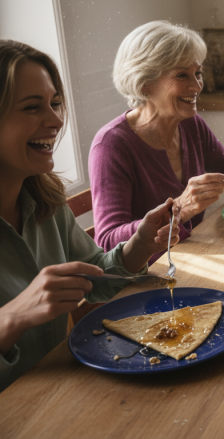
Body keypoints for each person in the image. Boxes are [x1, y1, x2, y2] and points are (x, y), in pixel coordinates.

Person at [0, 40, 180, 391]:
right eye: (32, 107)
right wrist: (12, 317)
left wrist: (137, 247)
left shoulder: (46, 202)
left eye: (54, 104)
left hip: (60, 393)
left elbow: (96, 277)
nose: (55, 120)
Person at [89, 21, 224, 256]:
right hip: (145, 275)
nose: (196, 86)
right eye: (182, 75)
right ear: (145, 85)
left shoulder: (190, 124)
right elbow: (108, 242)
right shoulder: (111, 146)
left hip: (189, 256)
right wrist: (178, 210)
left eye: (198, 73)